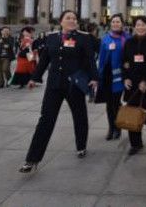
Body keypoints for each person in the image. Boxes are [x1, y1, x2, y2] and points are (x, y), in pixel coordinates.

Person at [19, 10, 98, 173]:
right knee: (46, 119)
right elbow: (45, 60)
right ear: (61, 21)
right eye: (68, 18)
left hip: (74, 84)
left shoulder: (83, 38)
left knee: (80, 116)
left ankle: (81, 145)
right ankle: (32, 159)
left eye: (74, 18)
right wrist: (35, 77)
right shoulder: (51, 37)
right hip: (54, 84)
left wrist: (94, 78)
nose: (72, 20)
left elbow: (90, 60)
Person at [122, 16, 146, 155]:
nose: (140, 27)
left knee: (145, 111)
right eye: (138, 24)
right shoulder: (129, 42)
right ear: (134, 26)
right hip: (132, 83)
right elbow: (124, 61)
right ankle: (136, 143)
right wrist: (125, 78)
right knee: (132, 112)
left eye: (143, 24)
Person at [96, 14, 130, 140]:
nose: (116, 23)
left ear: (122, 24)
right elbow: (101, 58)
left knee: (116, 103)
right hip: (107, 76)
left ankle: (118, 127)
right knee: (109, 104)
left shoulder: (127, 39)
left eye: (118, 21)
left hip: (121, 76)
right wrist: (99, 76)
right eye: (113, 21)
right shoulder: (105, 39)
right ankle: (111, 128)